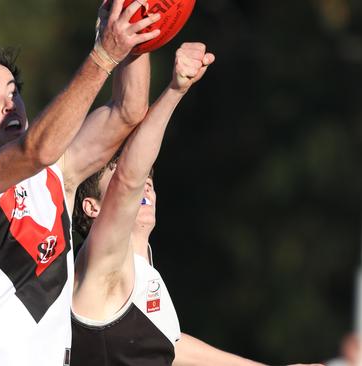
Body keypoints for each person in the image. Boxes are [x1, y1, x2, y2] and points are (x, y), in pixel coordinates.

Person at [0, 1, 163, 365]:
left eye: (12, 91)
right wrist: (102, 55)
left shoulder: (57, 172)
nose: (10, 105)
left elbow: (128, 109)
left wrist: (132, 31)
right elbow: (36, 151)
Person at [70, 42, 323, 366]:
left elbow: (174, 346)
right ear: (92, 207)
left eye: (149, 175)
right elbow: (130, 178)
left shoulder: (140, 271)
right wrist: (175, 89)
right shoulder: (101, 262)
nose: (145, 180)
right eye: (114, 171)